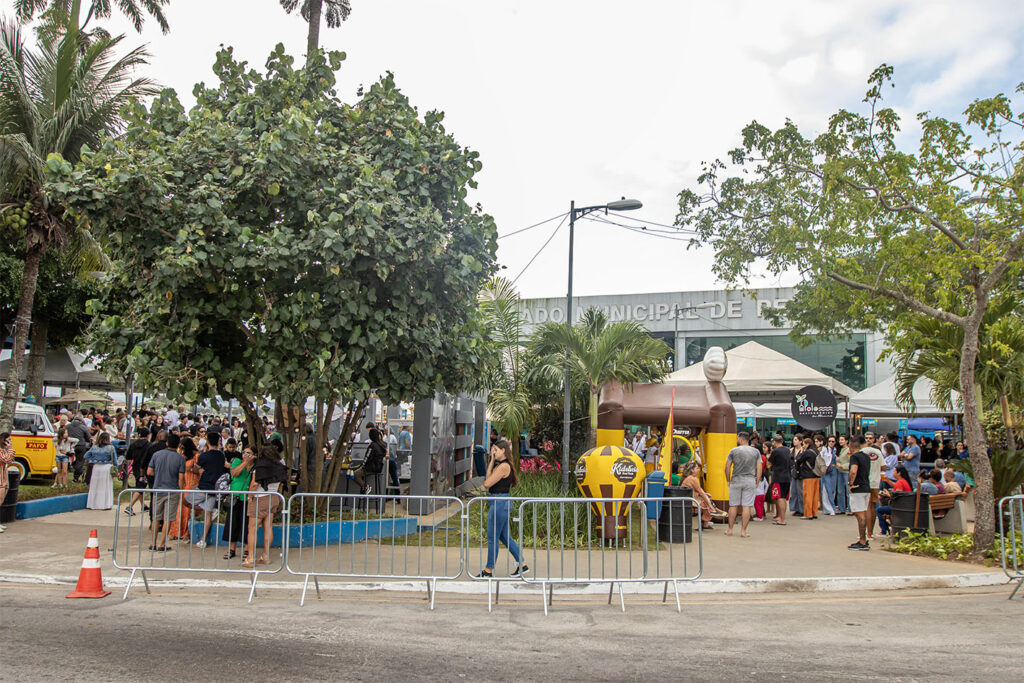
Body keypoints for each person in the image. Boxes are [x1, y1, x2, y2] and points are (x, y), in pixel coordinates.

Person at [477, 439, 527, 577]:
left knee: (492, 537)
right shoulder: (500, 465)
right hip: (498, 502)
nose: (493, 452)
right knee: (505, 537)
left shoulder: (504, 466)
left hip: (499, 502)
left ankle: (488, 570)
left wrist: (494, 464)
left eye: (495, 450)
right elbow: (488, 478)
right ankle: (522, 564)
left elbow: (486, 484)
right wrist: (492, 460)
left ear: (503, 450)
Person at [243, 445, 289, 568]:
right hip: (274, 497)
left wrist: (250, 496)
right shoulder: (279, 466)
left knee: (252, 528)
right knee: (268, 527)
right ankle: (265, 555)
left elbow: (255, 483)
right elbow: (281, 485)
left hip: (260, 497)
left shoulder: (261, 466)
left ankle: (250, 558)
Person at [185, 431, 227, 547]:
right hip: (214, 488)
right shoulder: (221, 456)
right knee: (208, 514)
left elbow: (195, 469)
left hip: (203, 487)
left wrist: (195, 469)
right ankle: (203, 540)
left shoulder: (204, 456)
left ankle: (202, 507)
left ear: (207, 442)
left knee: (186, 501)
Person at [147, 433, 185, 551]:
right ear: (178, 445)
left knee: (156, 518)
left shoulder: (156, 455)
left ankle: (153, 543)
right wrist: (180, 490)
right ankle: (162, 544)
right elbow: (181, 477)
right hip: (172, 490)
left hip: (158, 489)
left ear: (167, 443)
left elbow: (149, 472)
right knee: (168, 519)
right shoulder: (180, 458)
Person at [724, 432, 761, 537]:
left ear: (740, 439)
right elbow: (759, 468)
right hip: (749, 480)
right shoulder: (756, 452)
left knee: (733, 505)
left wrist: (728, 479)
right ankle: (743, 531)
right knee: (747, 506)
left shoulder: (733, 451)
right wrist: (757, 481)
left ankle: (730, 529)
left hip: (736, 479)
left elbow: (727, 467)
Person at [222, 440, 253, 561]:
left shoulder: (255, 466)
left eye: (249, 453)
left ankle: (246, 548)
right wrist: (245, 463)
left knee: (246, 524)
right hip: (235, 496)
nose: (246, 455)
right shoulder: (237, 461)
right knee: (232, 523)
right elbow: (234, 473)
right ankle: (231, 548)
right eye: (245, 452)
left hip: (248, 498)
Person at [169, 437, 201, 541]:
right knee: (180, 509)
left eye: (183, 447)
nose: (181, 449)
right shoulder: (182, 456)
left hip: (192, 484)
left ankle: (187, 532)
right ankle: (176, 532)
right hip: (183, 483)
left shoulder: (196, 455)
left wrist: (190, 469)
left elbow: (199, 470)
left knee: (188, 510)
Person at [846, 435, 872, 550]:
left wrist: (851, 484)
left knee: (860, 514)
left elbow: (853, 471)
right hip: (866, 486)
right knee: (863, 513)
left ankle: (862, 541)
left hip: (858, 488)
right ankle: (864, 539)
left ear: (850, 446)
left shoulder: (854, 457)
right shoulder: (866, 457)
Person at [680, 461, 718, 530]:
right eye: (697, 468)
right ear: (692, 470)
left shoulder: (689, 478)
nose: (698, 469)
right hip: (691, 499)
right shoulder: (692, 479)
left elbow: (699, 491)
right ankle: (711, 514)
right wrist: (709, 505)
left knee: (706, 498)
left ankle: (710, 516)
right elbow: (700, 492)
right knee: (706, 501)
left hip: (689, 497)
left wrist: (705, 495)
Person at [123, 427, 152, 516]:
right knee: (141, 486)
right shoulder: (149, 445)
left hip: (136, 467)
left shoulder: (133, 444)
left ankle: (143, 505)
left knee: (139, 485)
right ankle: (129, 506)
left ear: (139, 435)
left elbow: (128, 457)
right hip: (145, 467)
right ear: (148, 435)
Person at [84, 432, 116, 510]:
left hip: (96, 467)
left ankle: (93, 504)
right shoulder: (111, 448)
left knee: (94, 486)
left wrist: (93, 459)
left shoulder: (94, 447)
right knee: (106, 487)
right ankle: (106, 505)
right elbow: (114, 460)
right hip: (107, 467)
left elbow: (86, 456)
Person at [351, 428, 388, 494]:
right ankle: (364, 489)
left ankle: (365, 487)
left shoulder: (372, 445)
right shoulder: (382, 445)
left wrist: (362, 466)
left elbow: (367, 457)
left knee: (355, 474)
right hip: (378, 468)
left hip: (370, 468)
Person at [863, 432, 883, 540]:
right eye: (866, 438)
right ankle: (868, 532)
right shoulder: (878, 452)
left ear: (874, 439)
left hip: (868, 482)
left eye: (870, 438)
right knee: (871, 506)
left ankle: (868, 533)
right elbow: (884, 467)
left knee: (868, 507)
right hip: (874, 481)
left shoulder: (863, 452)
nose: (868, 440)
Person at [767, 434, 792, 525]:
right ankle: (780, 516)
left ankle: (782, 519)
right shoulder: (787, 450)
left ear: (774, 442)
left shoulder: (775, 451)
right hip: (787, 476)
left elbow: (768, 464)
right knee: (783, 497)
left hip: (778, 476)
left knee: (780, 497)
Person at [796, 435, 821, 520]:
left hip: (808, 476)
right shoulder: (816, 451)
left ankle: (808, 513)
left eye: (803, 444)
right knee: (815, 495)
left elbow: (798, 460)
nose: (803, 446)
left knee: (808, 495)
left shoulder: (807, 452)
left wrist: (802, 451)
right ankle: (814, 512)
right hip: (816, 475)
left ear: (807, 444)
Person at [66, 413, 91, 483]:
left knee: (69, 460)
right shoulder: (83, 427)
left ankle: (65, 476)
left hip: (69, 446)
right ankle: (76, 477)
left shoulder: (67, 426)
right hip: (80, 445)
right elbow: (89, 438)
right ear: (81, 420)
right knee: (80, 461)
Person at [0, 433, 14, 533]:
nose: (10, 442)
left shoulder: (4, 450)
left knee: (1, 501)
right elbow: (7, 459)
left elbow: (11, 459)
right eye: (8, 440)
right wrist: (10, 449)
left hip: (4, 477)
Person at [835, 434, 851, 515]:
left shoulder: (848, 450)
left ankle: (850, 508)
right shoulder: (840, 450)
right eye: (840, 440)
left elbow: (850, 462)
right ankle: (842, 508)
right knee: (840, 491)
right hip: (840, 472)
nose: (840, 441)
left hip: (846, 472)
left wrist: (842, 465)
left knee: (848, 491)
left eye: (842, 440)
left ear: (846, 441)